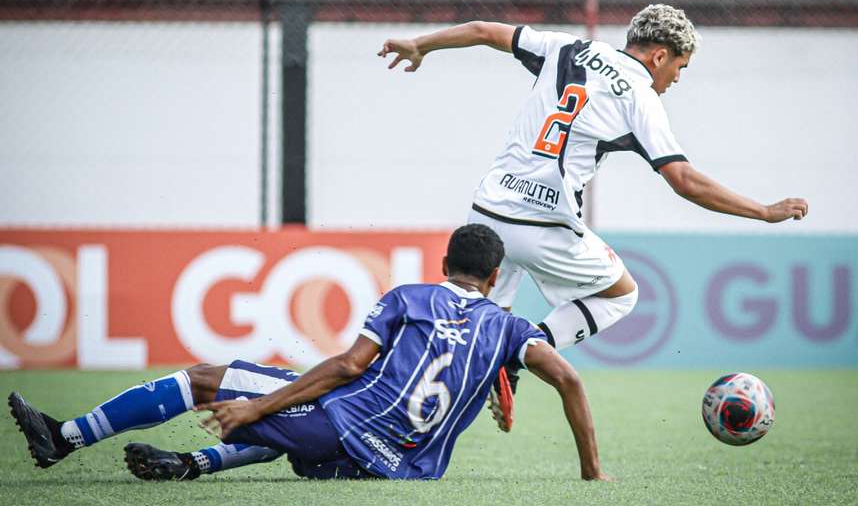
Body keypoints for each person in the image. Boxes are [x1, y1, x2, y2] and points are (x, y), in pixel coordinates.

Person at [377, 5, 809, 426]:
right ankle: (522, 350)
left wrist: (421, 44)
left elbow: (485, 30)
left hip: (487, 210)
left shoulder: (566, 47)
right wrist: (764, 211)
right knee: (621, 295)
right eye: (680, 66)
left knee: (475, 323)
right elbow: (684, 180)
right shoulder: (641, 97)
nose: (676, 78)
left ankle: (399, 395)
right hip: (543, 224)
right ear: (659, 56)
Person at [8, 224, 611, 482]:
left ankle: (66, 437)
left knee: (209, 380)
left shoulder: (412, 295)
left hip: (347, 434)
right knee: (298, 415)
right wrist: (592, 473)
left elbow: (350, 365)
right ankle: (193, 464)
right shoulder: (509, 329)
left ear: (444, 267)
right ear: (497, 275)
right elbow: (571, 382)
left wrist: (258, 404)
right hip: (403, 469)